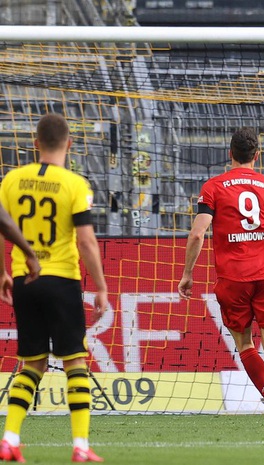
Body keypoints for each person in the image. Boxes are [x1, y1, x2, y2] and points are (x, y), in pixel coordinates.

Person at [0, 113, 108, 463]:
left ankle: (10, 439)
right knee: (75, 361)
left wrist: (2, 272)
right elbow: (87, 241)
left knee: (31, 363)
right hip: (61, 279)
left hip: (23, 280)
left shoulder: (11, 180)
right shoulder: (75, 184)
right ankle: (80, 446)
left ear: (34, 143)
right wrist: (102, 287)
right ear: (69, 144)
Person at [178, 127, 264, 427]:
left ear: (230, 154)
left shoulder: (214, 187)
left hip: (233, 278)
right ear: (257, 156)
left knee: (246, 344)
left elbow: (197, 234)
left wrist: (187, 274)